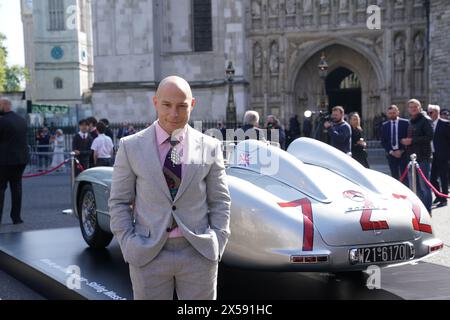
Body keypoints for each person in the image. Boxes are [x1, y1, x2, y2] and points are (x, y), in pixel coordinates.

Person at [109, 76, 231, 300]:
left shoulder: (211, 146)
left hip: (198, 251)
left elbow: (220, 201)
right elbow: (118, 201)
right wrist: (128, 243)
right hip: (147, 253)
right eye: (166, 105)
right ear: (155, 102)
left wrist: (217, 239)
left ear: (192, 105)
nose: (174, 114)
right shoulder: (131, 146)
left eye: (182, 106)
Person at [0, 98, 30, 225]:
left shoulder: (2, 121)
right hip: (20, 160)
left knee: (0, 189)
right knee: (16, 188)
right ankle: (16, 217)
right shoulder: (21, 120)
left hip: (4, 161)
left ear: (5, 105)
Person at [401, 99, 433, 213]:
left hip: (422, 157)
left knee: (424, 187)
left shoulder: (425, 120)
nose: (413, 109)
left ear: (420, 107)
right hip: (412, 158)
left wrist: (412, 141)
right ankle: (418, 211)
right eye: (411, 107)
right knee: (414, 187)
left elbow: (429, 136)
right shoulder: (411, 121)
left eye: (415, 107)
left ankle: (427, 211)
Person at [380, 105, 410, 185]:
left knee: (405, 176)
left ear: (398, 112)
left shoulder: (405, 123)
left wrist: (401, 150)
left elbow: (408, 137)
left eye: (394, 113)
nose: (392, 115)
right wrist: (391, 151)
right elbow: (383, 141)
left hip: (403, 154)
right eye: (390, 113)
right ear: (387, 114)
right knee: (394, 177)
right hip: (391, 155)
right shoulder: (385, 125)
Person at [428, 105, 450, 208]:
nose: (429, 115)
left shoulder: (445, 124)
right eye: (428, 112)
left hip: (443, 155)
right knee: (432, 178)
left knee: (443, 177)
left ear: (437, 112)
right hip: (433, 155)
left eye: (431, 112)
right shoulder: (429, 124)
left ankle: (444, 198)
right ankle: (438, 195)